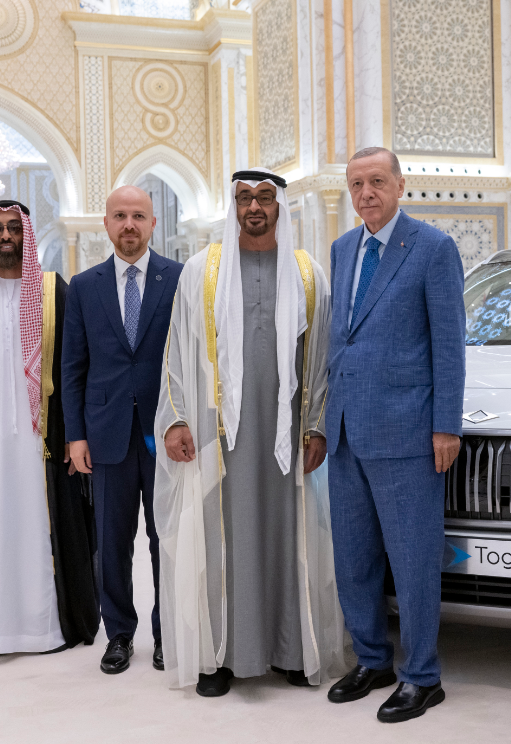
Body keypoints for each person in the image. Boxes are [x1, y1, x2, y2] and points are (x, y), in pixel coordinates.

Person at [154, 169, 347, 697]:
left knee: (290, 535)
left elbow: (323, 359)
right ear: (233, 205)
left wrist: (315, 426)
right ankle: (219, 656)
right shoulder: (201, 271)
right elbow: (174, 349)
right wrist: (174, 418)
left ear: (280, 205)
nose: (254, 207)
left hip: (286, 437)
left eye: (264, 198)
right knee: (221, 539)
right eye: (244, 198)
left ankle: (290, 649)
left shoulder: (307, 275)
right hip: (221, 438)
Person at [323, 146, 466, 723]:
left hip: (409, 432)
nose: (366, 194)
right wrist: (321, 423)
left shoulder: (432, 248)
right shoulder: (340, 250)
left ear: (401, 184)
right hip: (346, 434)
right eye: (356, 184)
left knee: (411, 561)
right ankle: (372, 659)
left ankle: (422, 675)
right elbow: (340, 341)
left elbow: (449, 345)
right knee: (354, 559)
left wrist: (446, 426)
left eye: (377, 181)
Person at [0, 199, 99, 662]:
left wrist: (78, 434)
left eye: (14, 228)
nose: (5, 236)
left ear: (26, 235)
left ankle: (54, 623)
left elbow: (78, 368)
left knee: (48, 523)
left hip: (46, 440)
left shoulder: (55, 293)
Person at [61, 186, 182, 675]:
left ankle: (165, 631)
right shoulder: (85, 286)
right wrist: (75, 435)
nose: (128, 225)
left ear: (153, 223)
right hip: (105, 432)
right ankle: (119, 634)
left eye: (138, 216)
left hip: (165, 434)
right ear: (105, 224)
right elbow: (72, 366)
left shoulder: (178, 279)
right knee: (112, 540)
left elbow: (191, 357)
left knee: (165, 537)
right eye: (119, 216)